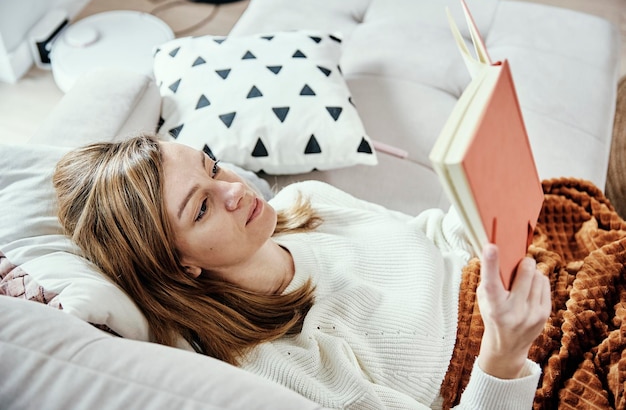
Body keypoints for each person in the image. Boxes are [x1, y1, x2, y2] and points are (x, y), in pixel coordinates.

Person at [52, 135, 550, 409]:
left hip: (516, 281)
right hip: (511, 364)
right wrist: (504, 358)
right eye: (202, 208)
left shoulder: (307, 203)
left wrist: (490, 184)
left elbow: (436, 237)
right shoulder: (268, 364)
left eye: (212, 165)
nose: (234, 190)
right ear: (179, 264)